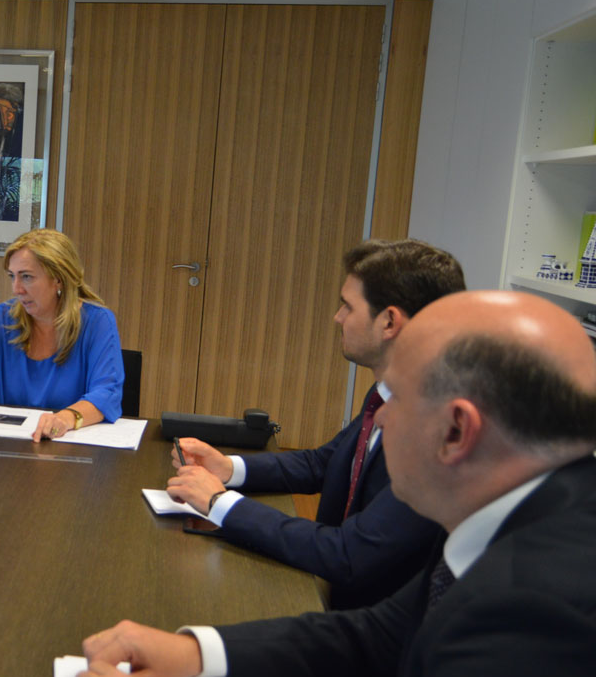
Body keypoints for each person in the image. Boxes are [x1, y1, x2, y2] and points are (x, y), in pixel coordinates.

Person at [75, 290, 596, 677]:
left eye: (401, 399)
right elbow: (379, 638)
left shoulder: (541, 616)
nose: (382, 420)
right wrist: (194, 654)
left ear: (458, 431)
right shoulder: (523, 509)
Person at [168, 239, 463, 608]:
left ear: (389, 322)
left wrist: (219, 503)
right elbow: (326, 462)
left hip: (368, 624)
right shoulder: (390, 391)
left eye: (348, 306)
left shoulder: (437, 431)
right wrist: (228, 468)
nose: (338, 317)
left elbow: (347, 554)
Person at [0, 229, 124, 443]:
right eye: (12, 276)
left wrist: (65, 418)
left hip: (67, 450)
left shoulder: (97, 322)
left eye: (26, 277)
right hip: (4, 448)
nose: (16, 289)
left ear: (59, 280)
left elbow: (106, 393)